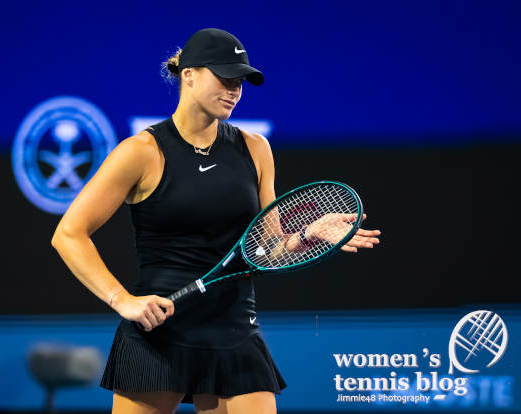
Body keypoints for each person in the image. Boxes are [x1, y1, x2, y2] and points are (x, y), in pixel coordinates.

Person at [51, 28, 381, 414]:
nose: (234, 89)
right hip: (159, 333)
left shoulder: (255, 148)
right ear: (188, 74)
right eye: (224, 77)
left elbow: (266, 247)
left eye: (240, 80)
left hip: (234, 330)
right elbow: (69, 234)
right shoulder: (141, 152)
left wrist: (306, 235)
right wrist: (122, 300)